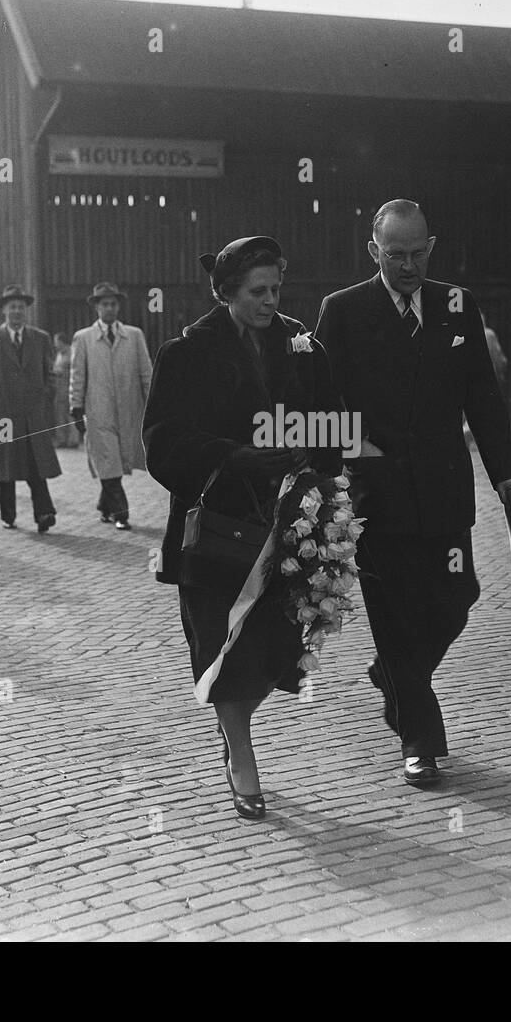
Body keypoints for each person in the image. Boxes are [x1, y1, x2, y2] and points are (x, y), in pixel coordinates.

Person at [315, 199, 511, 787]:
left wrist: (504, 471)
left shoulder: (457, 305)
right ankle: (421, 742)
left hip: (443, 493)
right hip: (374, 502)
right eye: (395, 254)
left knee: (457, 598)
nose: (408, 266)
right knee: (396, 619)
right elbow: (323, 406)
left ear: (432, 248)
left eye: (418, 253)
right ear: (373, 250)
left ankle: (393, 677)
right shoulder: (344, 311)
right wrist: (336, 486)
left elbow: (482, 395)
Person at [143, 236, 343, 820]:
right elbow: (161, 442)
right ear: (227, 293)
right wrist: (233, 456)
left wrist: (325, 486)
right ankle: (241, 754)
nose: (270, 301)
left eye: (276, 289)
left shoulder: (303, 346)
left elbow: (331, 422)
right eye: (258, 292)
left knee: (277, 646)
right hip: (217, 531)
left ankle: (237, 733)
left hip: (289, 525)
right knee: (221, 646)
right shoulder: (186, 354)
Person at [0, 285, 61, 532]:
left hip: (32, 415)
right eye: (12, 307)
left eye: (21, 307)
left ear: (26, 310)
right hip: (2, 416)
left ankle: (44, 513)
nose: (17, 311)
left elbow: (51, 374)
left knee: (36, 465)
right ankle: (8, 514)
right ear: (4, 311)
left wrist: (44, 399)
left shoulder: (40, 338)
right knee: (6, 466)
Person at [69, 282, 153, 530]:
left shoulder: (134, 335)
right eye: (104, 304)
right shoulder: (83, 338)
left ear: (119, 306)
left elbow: (146, 373)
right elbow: (77, 375)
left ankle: (104, 506)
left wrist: (152, 401)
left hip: (129, 409)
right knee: (108, 460)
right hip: (98, 410)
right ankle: (121, 513)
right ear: (96, 307)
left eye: (113, 304)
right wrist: (75, 405)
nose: (109, 308)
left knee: (119, 458)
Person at [50, 333, 78, 449]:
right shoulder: (59, 354)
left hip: (68, 387)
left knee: (69, 415)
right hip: (59, 388)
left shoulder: (71, 352)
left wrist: (57, 371)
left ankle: (72, 440)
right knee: (60, 414)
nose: (55, 344)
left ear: (62, 341)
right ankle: (62, 439)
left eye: (56, 341)